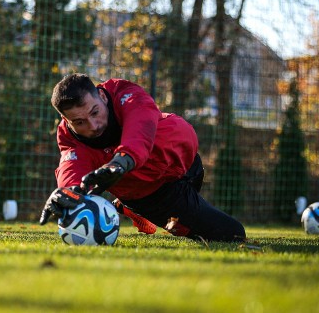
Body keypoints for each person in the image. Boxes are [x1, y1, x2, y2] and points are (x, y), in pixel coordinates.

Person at [39, 73, 246, 243]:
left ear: (102, 96)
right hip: (154, 195)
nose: (93, 125)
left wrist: (121, 162)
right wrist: (67, 191)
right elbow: (71, 166)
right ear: (66, 120)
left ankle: (126, 206)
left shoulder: (125, 94)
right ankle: (135, 209)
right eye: (80, 122)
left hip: (189, 166)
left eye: (95, 112)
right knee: (233, 234)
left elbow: (139, 129)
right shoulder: (70, 137)